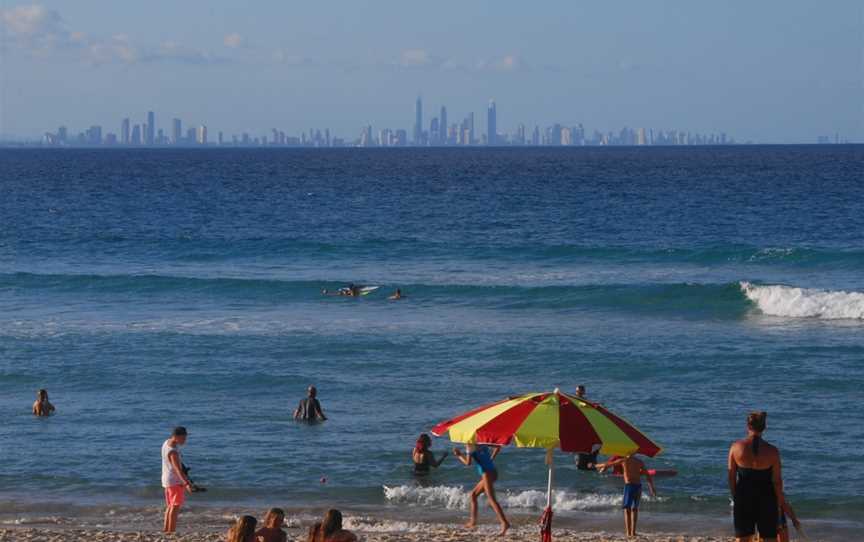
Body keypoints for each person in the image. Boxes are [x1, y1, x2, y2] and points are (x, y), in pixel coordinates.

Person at [728, 411, 786, 542]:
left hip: (743, 496)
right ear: (765, 427)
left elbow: (731, 476)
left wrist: (735, 496)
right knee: (768, 538)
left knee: (742, 538)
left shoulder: (736, 447)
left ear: (748, 426)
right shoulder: (772, 451)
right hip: (766, 499)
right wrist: (779, 503)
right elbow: (777, 481)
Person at [453, 444, 510, 535]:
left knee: (492, 499)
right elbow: (498, 447)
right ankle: (473, 522)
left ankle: (505, 523)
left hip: (487, 474)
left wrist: (459, 455)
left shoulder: (469, 446)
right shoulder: (481, 442)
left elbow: (468, 463)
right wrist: (491, 459)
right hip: (493, 471)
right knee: (473, 495)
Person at [597, 454, 657, 537]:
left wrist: (594, 465)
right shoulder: (639, 462)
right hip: (638, 486)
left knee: (627, 510)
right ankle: (633, 532)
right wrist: (651, 488)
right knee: (634, 509)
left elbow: (607, 465)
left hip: (629, 486)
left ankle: (629, 533)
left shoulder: (623, 460)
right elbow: (647, 475)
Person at [161, 426, 195, 533]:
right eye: (183, 438)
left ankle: (166, 530)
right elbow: (177, 470)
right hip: (175, 481)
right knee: (175, 507)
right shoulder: (173, 452)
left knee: (170, 506)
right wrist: (186, 484)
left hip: (167, 479)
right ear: (175, 436)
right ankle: (171, 532)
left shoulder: (166, 443)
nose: (185, 440)